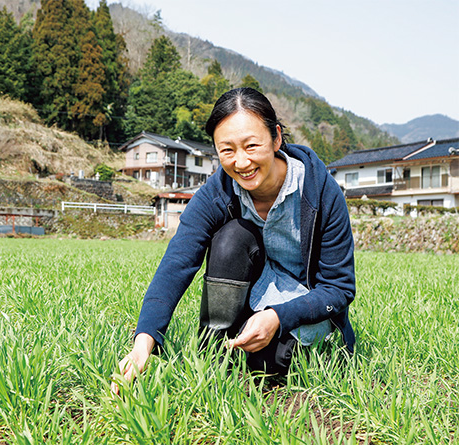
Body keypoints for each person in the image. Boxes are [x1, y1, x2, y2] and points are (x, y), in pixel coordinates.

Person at [111, 88, 355, 394]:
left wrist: (279, 317)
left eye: (252, 146)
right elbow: (177, 263)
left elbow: (338, 289)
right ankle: (212, 351)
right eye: (227, 150)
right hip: (257, 296)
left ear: (276, 138)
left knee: (268, 364)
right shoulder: (218, 192)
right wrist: (143, 344)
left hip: (304, 308)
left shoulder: (322, 193)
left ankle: (257, 347)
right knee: (232, 238)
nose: (241, 162)